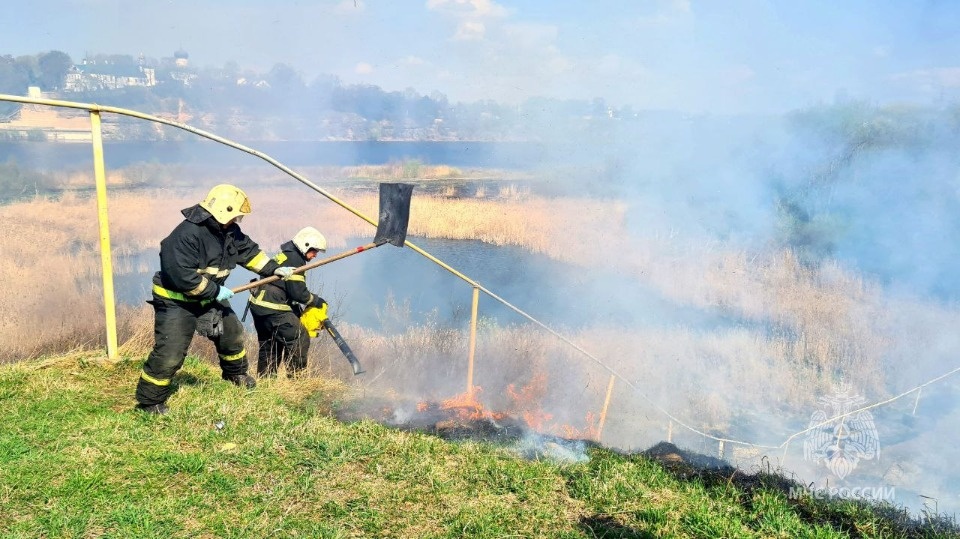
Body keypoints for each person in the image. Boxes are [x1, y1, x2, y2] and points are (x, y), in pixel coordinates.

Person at [134, 184, 295, 414]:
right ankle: (149, 401)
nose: (238, 219)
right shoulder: (185, 236)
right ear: (223, 211)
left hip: (208, 295)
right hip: (176, 300)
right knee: (171, 351)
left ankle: (235, 374)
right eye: (236, 214)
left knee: (233, 333)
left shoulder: (228, 232)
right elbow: (182, 278)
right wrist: (215, 292)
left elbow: (250, 253)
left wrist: (273, 269)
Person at [248, 226, 328, 377]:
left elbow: (287, 288)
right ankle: (296, 380)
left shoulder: (286, 255)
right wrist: (316, 301)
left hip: (259, 304)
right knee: (299, 337)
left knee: (271, 344)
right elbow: (299, 293)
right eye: (314, 250)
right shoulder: (295, 260)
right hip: (272, 306)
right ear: (305, 245)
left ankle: (266, 382)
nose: (315, 255)